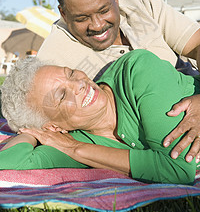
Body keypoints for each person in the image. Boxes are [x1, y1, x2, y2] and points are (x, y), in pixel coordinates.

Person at [36, 0, 200, 163]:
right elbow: (33, 120)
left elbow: (196, 44)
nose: (97, 25)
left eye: (104, 11)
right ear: (63, 13)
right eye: (81, 18)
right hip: (163, 127)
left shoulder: (138, 3)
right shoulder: (52, 59)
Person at [1, 50, 200, 184]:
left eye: (70, 73)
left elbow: (177, 169)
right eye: (61, 95)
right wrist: (32, 133)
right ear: (52, 127)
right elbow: (10, 164)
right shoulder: (72, 138)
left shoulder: (137, 70)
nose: (79, 84)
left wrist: (76, 150)